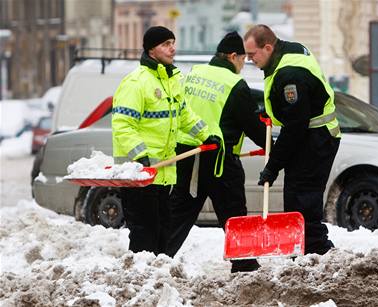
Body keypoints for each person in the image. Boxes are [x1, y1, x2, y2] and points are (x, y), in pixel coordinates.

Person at [166, 31, 267, 273]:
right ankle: (245, 265)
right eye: (243, 60)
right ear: (233, 56)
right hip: (220, 160)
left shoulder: (195, 74)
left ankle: (158, 256)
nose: (243, 65)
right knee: (234, 214)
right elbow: (251, 125)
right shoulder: (235, 84)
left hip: (188, 156)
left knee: (178, 213)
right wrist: (270, 140)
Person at [112, 26, 218, 255]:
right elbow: (123, 125)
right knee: (144, 235)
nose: (172, 48)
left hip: (164, 175)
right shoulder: (136, 83)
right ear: (151, 50)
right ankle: (140, 282)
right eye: (165, 44)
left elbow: (184, 115)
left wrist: (205, 135)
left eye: (173, 42)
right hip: (140, 176)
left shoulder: (171, 81)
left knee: (163, 234)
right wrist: (140, 156)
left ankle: (157, 281)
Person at [243, 25, 341, 255]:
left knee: (304, 197)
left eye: (252, 54)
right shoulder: (290, 51)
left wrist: (272, 167)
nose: (249, 60)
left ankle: (317, 252)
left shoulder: (290, 75)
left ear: (268, 47)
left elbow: (295, 125)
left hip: (315, 138)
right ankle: (302, 251)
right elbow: (297, 106)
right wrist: (274, 110)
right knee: (296, 196)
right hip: (310, 135)